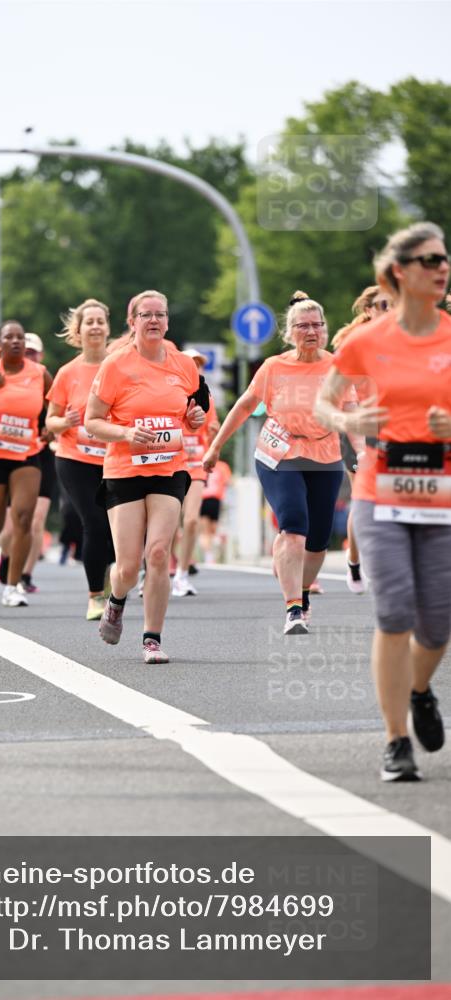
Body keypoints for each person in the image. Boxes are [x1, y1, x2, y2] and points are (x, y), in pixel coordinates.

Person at [316, 222, 451, 782]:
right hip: (380, 492)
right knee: (394, 611)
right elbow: (323, 404)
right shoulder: (366, 341)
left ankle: (420, 689)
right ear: (399, 272)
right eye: (429, 259)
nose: (442, 267)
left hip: (440, 494)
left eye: (445, 258)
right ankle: (395, 741)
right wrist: (348, 418)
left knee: (438, 625)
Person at [204, 291, 346, 636]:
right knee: (294, 525)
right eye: (303, 326)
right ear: (289, 332)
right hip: (279, 454)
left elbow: (352, 415)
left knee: (318, 540)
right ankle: (293, 608)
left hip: (325, 454)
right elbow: (243, 405)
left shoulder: (339, 367)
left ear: (325, 329)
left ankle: (303, 592)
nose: (311, 331)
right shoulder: (274, 367)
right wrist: (215, 446)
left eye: (317, 325)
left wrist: (363, 457)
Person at [85, 290, 207, 664]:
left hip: (168, 468)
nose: (154, 320)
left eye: (160, 315)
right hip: (124, 470)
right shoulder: (116, 365)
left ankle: (152, 638)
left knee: (157, 553)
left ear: (167, 321)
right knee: (126, 565)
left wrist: (194, 419)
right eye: (146, 315)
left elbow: (195, 407)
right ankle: (117, 601)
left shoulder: (183, 364)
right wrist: (124, 433)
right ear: (132, 322)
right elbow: (92, 422)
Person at [0, 320, 52, 607]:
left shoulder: (40, 374)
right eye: (10, 337)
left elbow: (55, 408)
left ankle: (13, 585)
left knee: (23, 519)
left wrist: (49, 428)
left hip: (26, 454)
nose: (17, 341)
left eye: (20, 337)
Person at [46, 298, 114, 620]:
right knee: (95, 521)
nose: (96, 326)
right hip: (75, 458)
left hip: (115, 457)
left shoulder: (120, 367)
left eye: (101, 321)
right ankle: (94, 596)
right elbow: (51, 421)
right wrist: (67, 422)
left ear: (108, 327)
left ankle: (111, 579)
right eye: (90, 321)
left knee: (117, 526)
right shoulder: (67, 373)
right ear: (79, 329)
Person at [332, 285, 393, 595]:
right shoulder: (355, 342)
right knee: (364, 496)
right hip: (361, 426)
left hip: (397, 425)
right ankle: (355, 560)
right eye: (383, 305)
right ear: (368, 309)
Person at [0, 332, 56, 593]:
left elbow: (58, 414)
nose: (28, 356)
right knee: (14, 521)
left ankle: (24, 575)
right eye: (25, 352)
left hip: (43, 454)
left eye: (33, 352)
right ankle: (6, 554)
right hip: (14, 454)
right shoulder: (5, 379)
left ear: (40, 356)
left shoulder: (46, 380)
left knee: (37, 519)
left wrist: (52, 430)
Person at [171, 348, 219, 597]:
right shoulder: (169, 391)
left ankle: (181, 574)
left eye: (199, 364)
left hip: (196, 464)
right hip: (170, 463)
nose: (196, 368)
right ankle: (155, 568)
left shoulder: (205, 396)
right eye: (191, 363)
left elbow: (214, 426)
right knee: (166, 524)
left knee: (190, 520)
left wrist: (214, 434)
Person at [199, 459, 232, 565]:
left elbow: (227, 482)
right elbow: (228, 482)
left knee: (212, 529)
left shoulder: (222, 466)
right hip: (204, 498)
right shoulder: (202, 464)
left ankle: (211, 548)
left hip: (215, 498)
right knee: (206, 530)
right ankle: (209, 555)